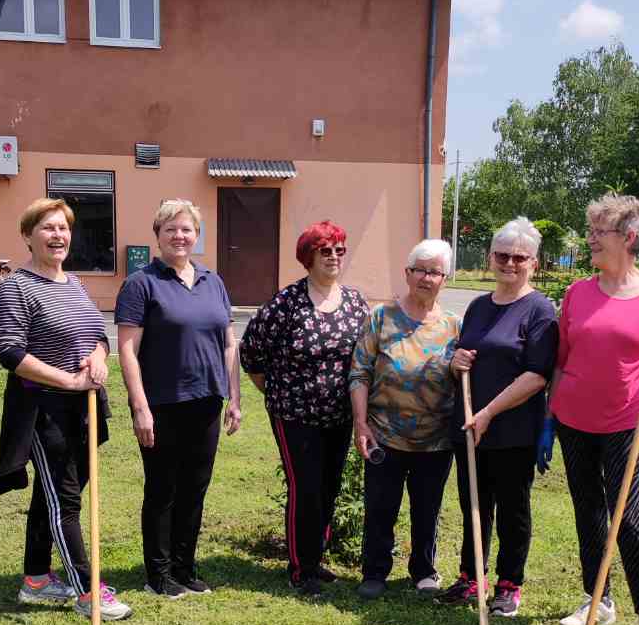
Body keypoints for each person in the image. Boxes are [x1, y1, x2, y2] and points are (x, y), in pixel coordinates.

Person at [540, 193, 639, 625]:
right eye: (590, 231)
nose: (590, 240)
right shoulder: (578, 293)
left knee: (628, 517)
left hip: (628, 422)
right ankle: (598, 600)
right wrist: (549, 418)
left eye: (598, 232)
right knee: (588, 512)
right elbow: (562, 360)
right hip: (573, 419)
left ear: (629, 237)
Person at [0, 197, 131, 621]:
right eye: (48, 227)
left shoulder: (74, 284)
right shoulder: (16, 287)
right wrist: (69, 380)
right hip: (44, 409)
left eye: (63, 228)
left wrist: (99, 358)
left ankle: (36, 580)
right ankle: (88, 592)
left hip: (83, 408)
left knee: (50, 496)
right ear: (27, 236)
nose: (58, 235)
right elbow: (11, 352)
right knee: (64, 502)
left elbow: (97, 335)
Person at [114, 199, 241, 598]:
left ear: (196, 235)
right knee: (163, 489)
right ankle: (159, 574)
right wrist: (139, 406)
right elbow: (127, 350)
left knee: (194, 488)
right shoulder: (142, 283)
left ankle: (185, 568)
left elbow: (228, 343)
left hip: (207, 402)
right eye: (170, 229)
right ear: (158, 235)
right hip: (162, 404)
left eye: (186, 229)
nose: (179, 236)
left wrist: (234, 397)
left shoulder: (213, 281)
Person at [239, 220, 371, 597]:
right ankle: (301, 568)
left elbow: (366, 356)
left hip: (339, 414)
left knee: (329, 487)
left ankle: (316, 556)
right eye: (324, 251)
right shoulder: (286, 303)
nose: (333, 257)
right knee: (306, 487)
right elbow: (251, 353)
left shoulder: (355, 303)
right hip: (294, 414)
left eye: (339, 250)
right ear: (308, 257)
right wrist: (276, 391)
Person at [441, 216, 558, 617]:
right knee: (473, 504)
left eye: (519, 258)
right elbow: (463, 358)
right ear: (491, 258)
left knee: (512, 508)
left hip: (512, 429)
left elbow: (537, 374)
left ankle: (509, 585)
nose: (510, 263)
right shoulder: (478, 306)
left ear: (533, 264)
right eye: (502, 255)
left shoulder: (540, 309)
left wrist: (489, 412)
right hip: (469, 425)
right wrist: (455, 362)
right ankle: (472, 577)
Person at [349, 238, 459, 599]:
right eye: (420, 270)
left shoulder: (454, 326)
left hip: (436, 439)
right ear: (407, 273)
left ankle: (424, 571)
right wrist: (361, 423)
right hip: (384, 434)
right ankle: (374, 571)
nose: (426, 278)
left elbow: (463, 378)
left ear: (444, 279)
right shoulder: (381, 317)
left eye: (434, 272)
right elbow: (359, 372)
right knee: (380, 507)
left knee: (427, 509)